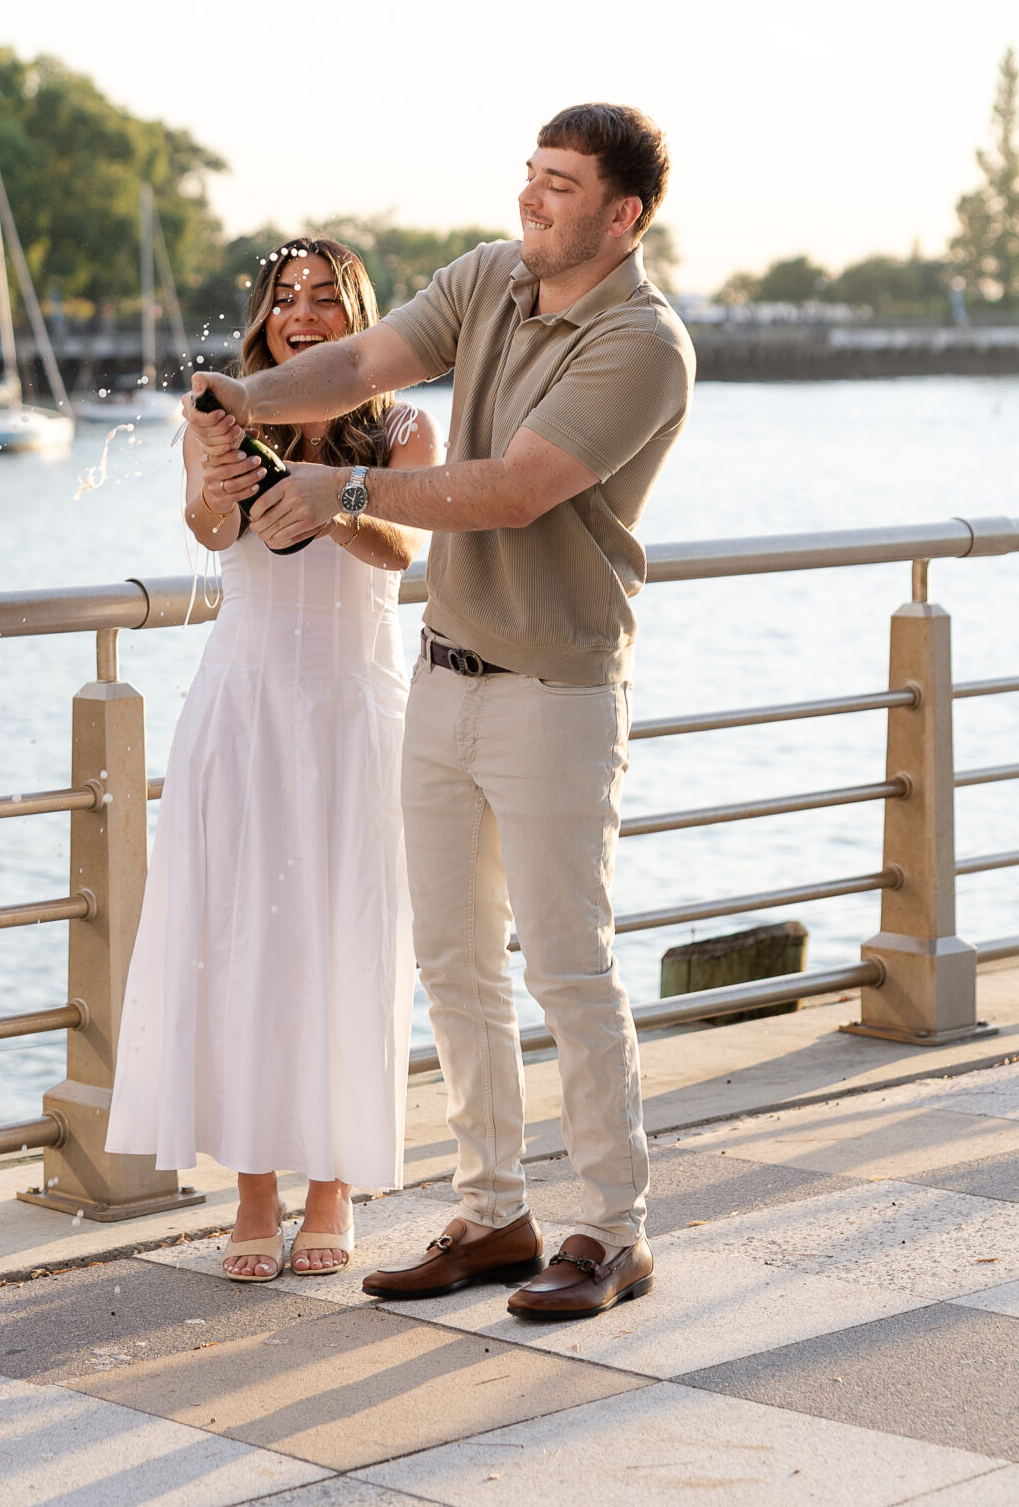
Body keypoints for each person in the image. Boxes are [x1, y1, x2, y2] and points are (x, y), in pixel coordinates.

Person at [188, 104, 693, 1317]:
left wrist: (340, 481)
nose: (533, 199)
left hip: (557, 691)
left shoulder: (642, 343)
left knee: (568, 966)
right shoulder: (488, 280)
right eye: (531, 174)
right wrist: (243, 401)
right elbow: (362, 364)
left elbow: (517, 490)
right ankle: (493, 1213)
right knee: (454, 961)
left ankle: (612, 1230)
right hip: (443, 676)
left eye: (561, 185)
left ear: (622, 215)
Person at [106, 238, 440, 1279]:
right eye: (283, 296)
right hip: (244, 703)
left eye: (324, 299)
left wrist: (329, 494)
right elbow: (210, 530)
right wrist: (228, 470)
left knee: (346, 933)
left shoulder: (405, 426)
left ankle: (333, 1185)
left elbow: (403, 552)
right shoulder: (219, 418)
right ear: (263, 318)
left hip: (352, 705)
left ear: (357, 319)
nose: (302, 312)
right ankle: (252, 1188)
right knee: (241, 935)